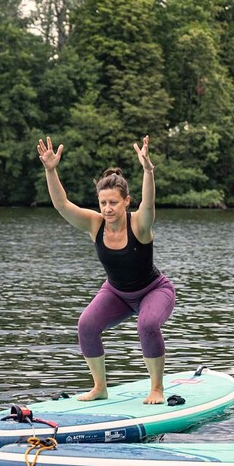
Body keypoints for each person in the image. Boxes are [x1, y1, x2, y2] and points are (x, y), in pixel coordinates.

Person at [36, 135, 175, 404]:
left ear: (126, 201)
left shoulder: (139, 225)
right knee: (86, 325)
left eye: (113, 202)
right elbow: (62, 205)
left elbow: (149, 205)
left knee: (147, 324)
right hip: (117, 292)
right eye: (103, 203)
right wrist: (50, 170)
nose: (107, 208)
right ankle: (100, 387)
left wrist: (148, 171)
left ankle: (156, 388)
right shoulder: (94, 224)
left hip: (154, 290)